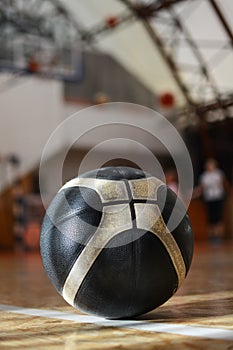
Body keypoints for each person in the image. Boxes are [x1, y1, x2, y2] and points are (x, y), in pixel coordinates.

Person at [195, 158, 229, 243]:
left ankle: (219, 237)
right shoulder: (204, 176)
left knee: (219, 218)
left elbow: (225, 184)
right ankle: (212, 237)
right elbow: (202, 188)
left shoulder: (219, 174)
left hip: (218, 197)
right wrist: (194, 193)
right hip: (209, 199)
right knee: (211, 218)